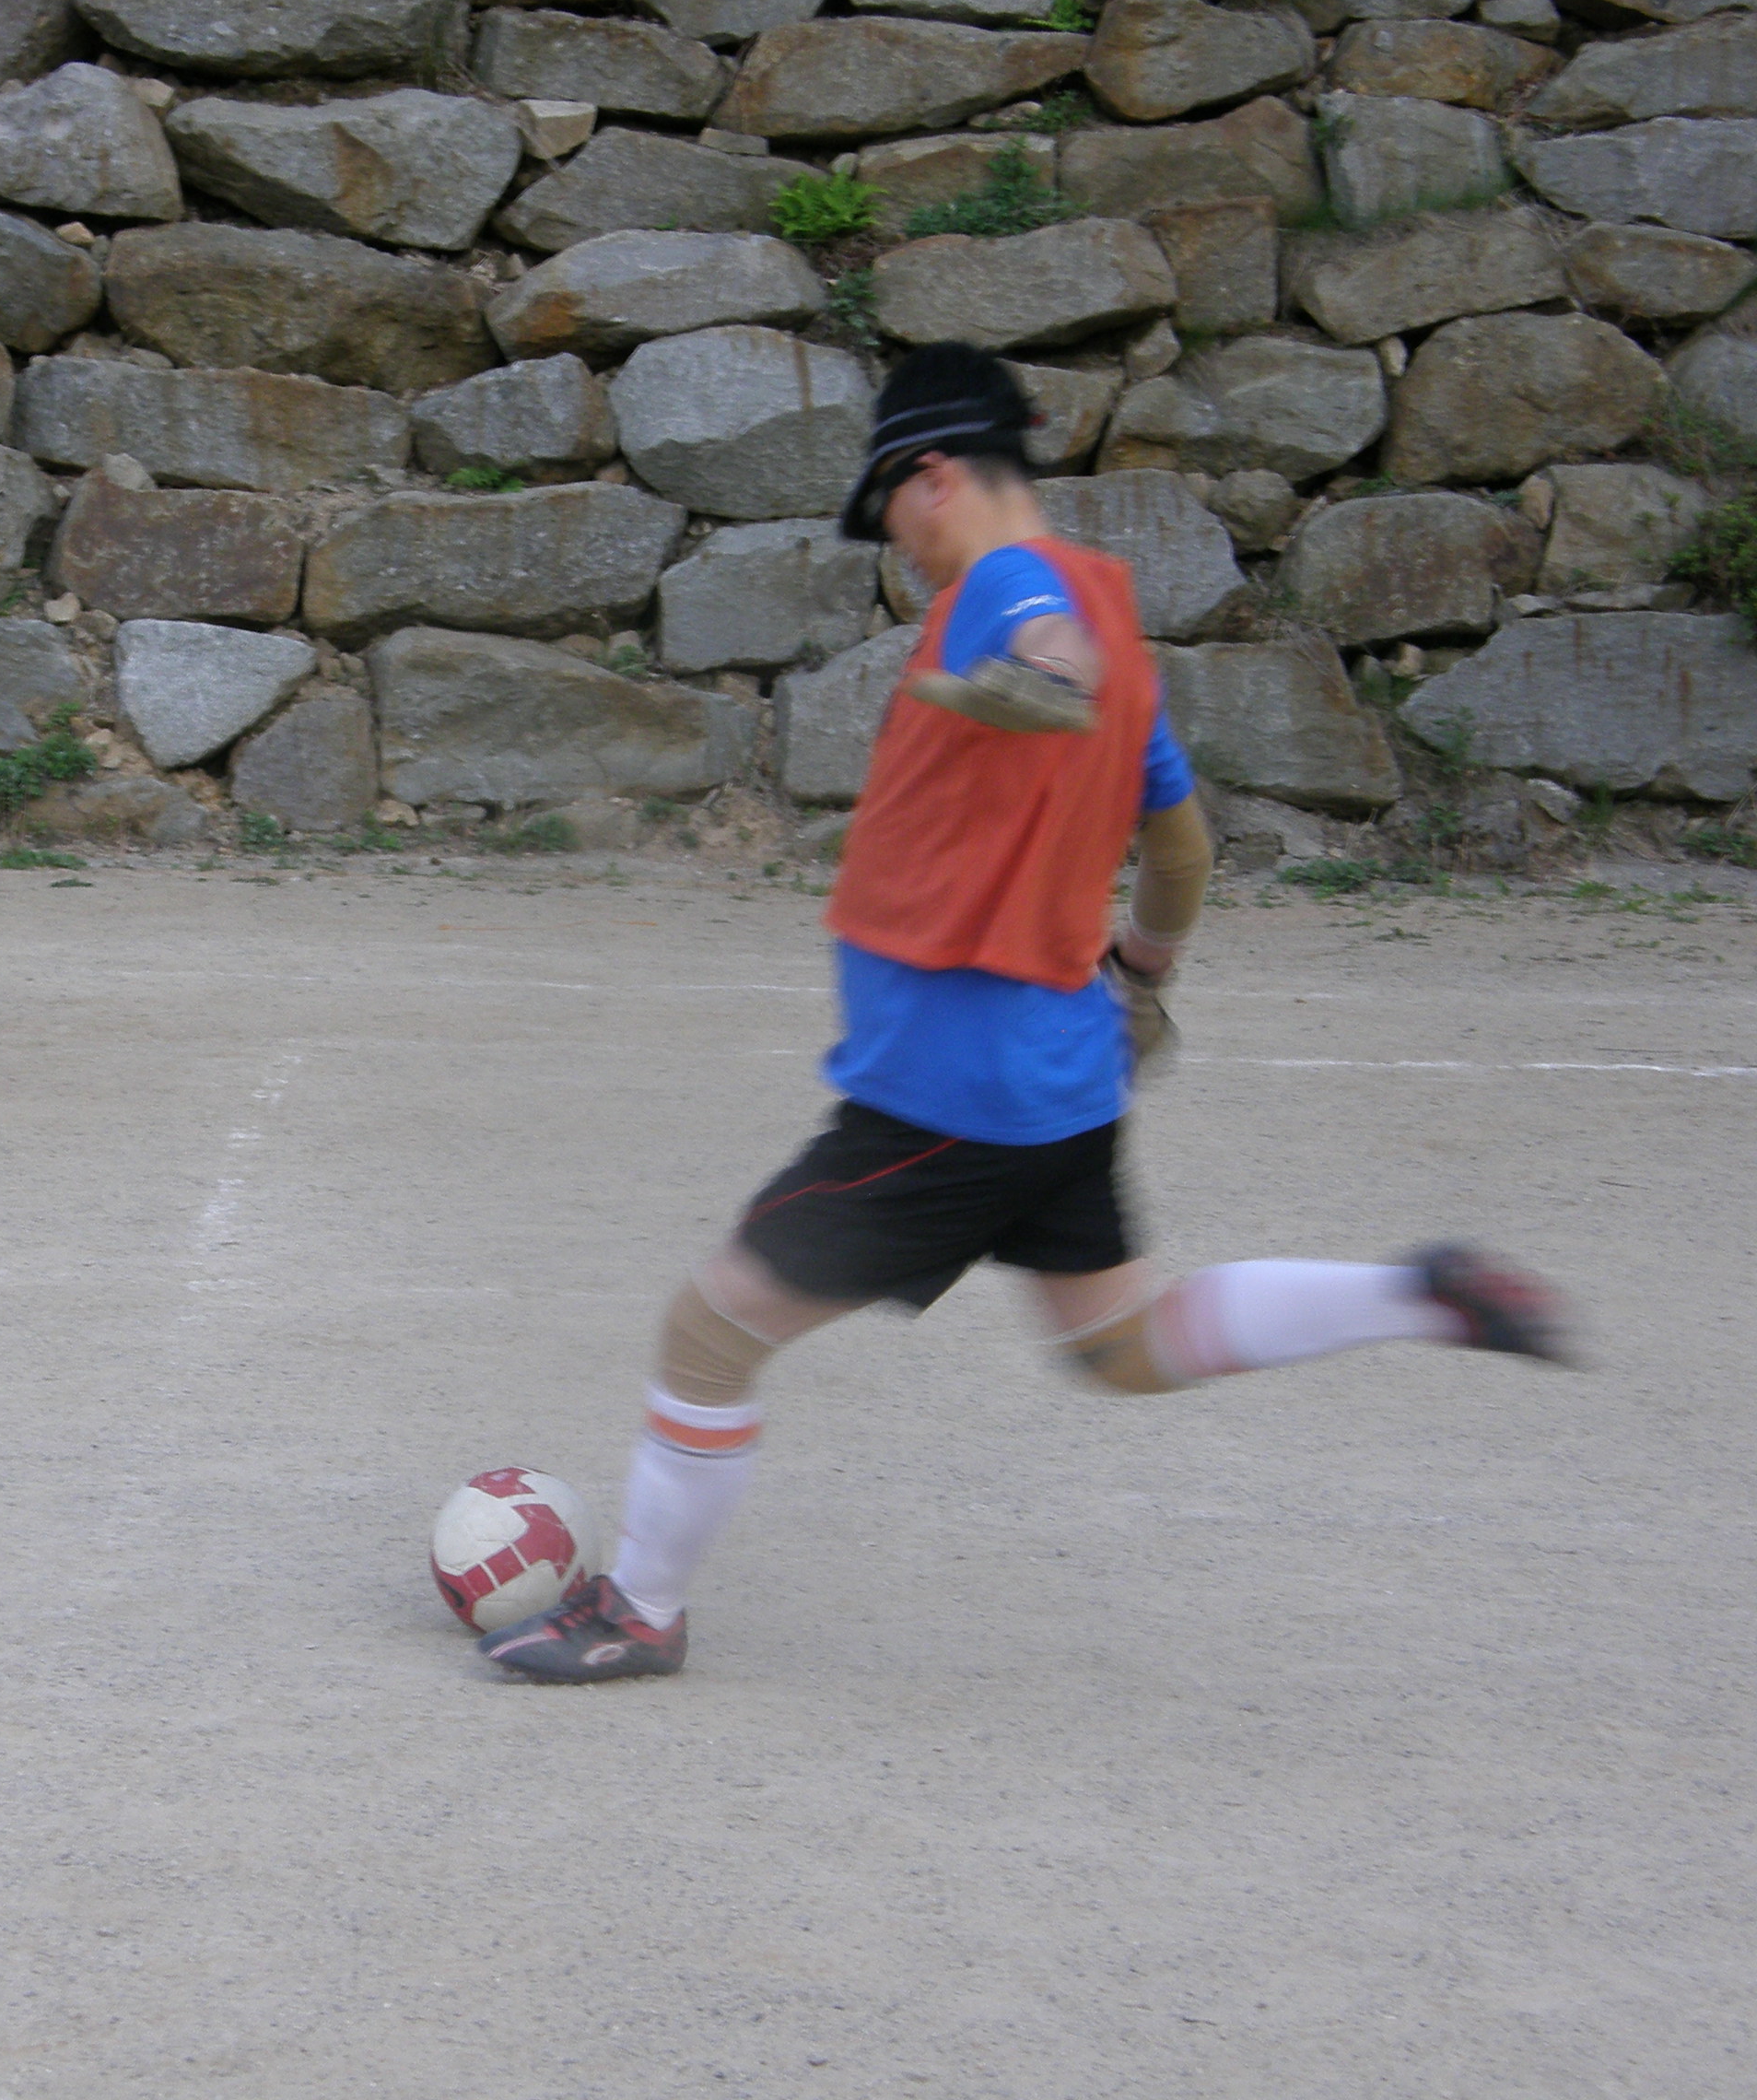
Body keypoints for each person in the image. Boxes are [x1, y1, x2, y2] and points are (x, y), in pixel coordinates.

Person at [479, 343, 1571, 1685]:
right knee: (1120, 1345)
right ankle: (1419, 1296)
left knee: (709, 1332)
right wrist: (1145, 981)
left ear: (934, 472)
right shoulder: (1126, 639)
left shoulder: (1018, 588)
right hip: (1060, 1078)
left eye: (889, 504)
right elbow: (1182, 858)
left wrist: (1043, 674)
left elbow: (1037, 621)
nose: (895, 541)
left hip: (950, 1093)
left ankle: (639, 1612)